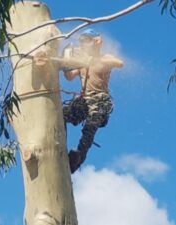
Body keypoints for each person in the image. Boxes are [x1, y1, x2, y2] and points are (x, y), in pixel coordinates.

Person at [63, 28, 123, 173]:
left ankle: (78, 156)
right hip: (84, 100)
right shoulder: (82, 62)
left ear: (97, 41)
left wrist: (93, 60)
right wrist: (66, 64)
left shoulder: (104, 57)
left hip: (100, 100)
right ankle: (58, 146)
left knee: (90, 127)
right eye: (81, 42)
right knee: (60, 115)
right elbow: (70, 77)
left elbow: (119, 63)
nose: (82, 45)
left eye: (86, 41)